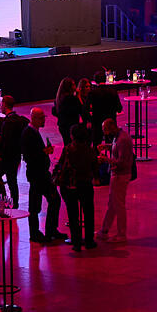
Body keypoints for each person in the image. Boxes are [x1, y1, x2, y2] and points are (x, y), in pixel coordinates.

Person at [21, 107, 64, 243]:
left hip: (38, 174)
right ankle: (43, 232)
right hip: (38, 174)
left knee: (40, 203)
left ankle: (45, 231)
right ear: (33, 118)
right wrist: (44, 152)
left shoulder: (32, 132)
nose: (43, 120)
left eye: (43, 117)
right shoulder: (29, 133)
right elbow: (29, 155)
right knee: (45, 202)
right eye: (41, 118)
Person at [55, 124, 98, 251]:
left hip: (71, 185)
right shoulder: (89, 150)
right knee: (88, 213)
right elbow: (94, 166)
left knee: (73, 214)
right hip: (86, 184)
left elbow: (62, 165)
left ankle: (76, 241)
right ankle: (89, 240)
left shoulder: (69, 149)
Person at [100, 117, 134, 243]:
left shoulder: (122, 139)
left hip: (120, 175)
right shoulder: (118, 137)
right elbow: (118, 149)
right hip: (117, 174)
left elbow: (122, 162)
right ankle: (104, 230)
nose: (104, 133)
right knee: (112, 203)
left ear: (111, 127)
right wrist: (108, 147)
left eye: (105, 130)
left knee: (118, 205)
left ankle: (121, 234)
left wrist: (106, 160)